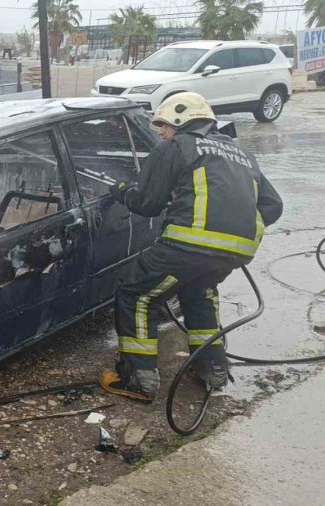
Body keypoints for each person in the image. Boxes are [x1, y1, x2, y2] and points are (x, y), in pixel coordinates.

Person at [100, 92, 283, 402]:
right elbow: (273, 206)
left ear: (179, 121)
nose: (161, 132)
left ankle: (138, 379)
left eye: (164, 126)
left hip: (188, 242)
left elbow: (147, 203)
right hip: (237, 249)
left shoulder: (176, 147)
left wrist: (121, 191)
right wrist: (229, 223)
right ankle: (213, 368)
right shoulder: (239, 152)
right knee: (198, 292)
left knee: (137, 294)